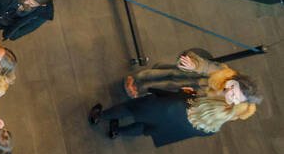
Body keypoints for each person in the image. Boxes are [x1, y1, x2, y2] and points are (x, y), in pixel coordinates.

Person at [89, 48, 261, 146]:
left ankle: (100, 116)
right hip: (174, 127)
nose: (230, 93)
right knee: (143, 128)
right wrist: (195, 66)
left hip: (169, 107)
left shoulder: (219, 104)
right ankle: (117, 132)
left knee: (132, 108)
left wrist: (185, 93)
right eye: (233, 88)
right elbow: (206, 66)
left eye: (236, 96)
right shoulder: (223, 116)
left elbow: (185, 98)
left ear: (241, 102)